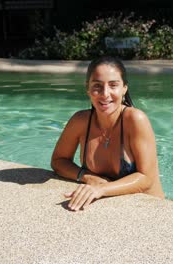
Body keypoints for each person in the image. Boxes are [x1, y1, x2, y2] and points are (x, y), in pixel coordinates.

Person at [51, 56, 165, 211]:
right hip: (111, 209)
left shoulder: (135, 120)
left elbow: (146, 179)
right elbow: (59, 161)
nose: (105, 94)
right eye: (97, 86)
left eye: (113, 85)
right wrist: (87, 177)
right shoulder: (80, 121)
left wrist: (101, 189)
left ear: (124, 88)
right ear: (88, 88)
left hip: (150, 209)